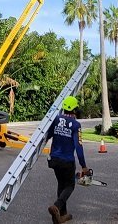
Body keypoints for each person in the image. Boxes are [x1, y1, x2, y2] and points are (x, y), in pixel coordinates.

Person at [44, 96, 87, 224]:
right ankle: (56, 206)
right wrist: (84, 166)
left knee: (61, 184)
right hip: (67, 161)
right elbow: (78, 147)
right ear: (75, 109)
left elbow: (49, 134)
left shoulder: (56, 120)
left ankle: (61, 216)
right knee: (69, 185)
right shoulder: (76, 125)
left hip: (54, 160)